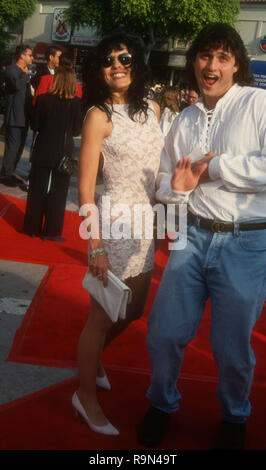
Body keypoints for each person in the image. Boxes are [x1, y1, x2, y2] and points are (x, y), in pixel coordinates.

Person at [137, 23, 266, 450]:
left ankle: (234, 416)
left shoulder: (259, 104)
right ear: (194, 61)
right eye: (204, 56)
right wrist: (175, 191)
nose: (211, 66)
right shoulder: (184, 120)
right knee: (164, 332)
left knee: (231, 349)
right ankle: (161, 403)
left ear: (236, 65)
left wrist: (214, 169)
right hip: (190, 236)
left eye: (222, 58)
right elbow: (165, 179)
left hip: (246, 243)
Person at [74, 33, 164, 436]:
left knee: (134, 309)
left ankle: (93, 363)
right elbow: (86, 187)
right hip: (112, 223)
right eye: (108, 60)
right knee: (102, 315)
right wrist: (95, 244)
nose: (117, 65)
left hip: (146, 222)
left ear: (137, 62)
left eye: (124, 57)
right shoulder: (98, 115)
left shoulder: (154, 109)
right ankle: (84, 397)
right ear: (100, 70)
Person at [23, 65, 82, 241]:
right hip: (64, 151)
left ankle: (31, 227)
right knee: (58, 193)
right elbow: (77, 130)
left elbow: (36, 126)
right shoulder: (76, 103)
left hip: (43, 148)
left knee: (36, 189)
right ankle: (52, 231)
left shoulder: (42, 100)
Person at [0, 45, 33, 188]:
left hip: (24, 117)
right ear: (22, 56)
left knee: (19, 148)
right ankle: (5, 175)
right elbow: (17, 85)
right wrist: (25, 74)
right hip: (14, 117)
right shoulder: (12, 70)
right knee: (12, 148)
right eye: (30, 55)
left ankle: (10, 172)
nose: (32, 58)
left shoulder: (24, 72)